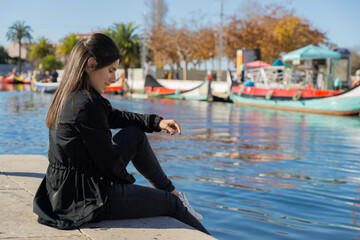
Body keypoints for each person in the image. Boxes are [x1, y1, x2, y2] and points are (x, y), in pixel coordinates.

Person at [33, 33, 210, 235]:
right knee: (171, 204)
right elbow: (111, 166)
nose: (113, 78)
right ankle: (183, 207)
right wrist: (130, 188)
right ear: (91, 63)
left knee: (135, 134)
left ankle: (174, 193)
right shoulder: (86, 105)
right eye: (110, 70)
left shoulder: (73, 95)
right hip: (83, 200)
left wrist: (156, 122)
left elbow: (116, 116)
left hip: (67, 189)